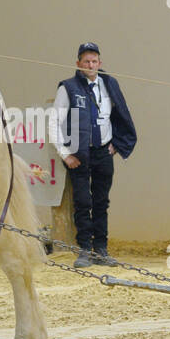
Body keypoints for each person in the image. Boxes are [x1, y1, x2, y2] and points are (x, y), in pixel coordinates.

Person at [51, 42, 137, 268]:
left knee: (101, 202)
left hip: (103, 152)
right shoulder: (68, 88)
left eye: (94, 61)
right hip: (79, 154)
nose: (90, 64)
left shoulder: (109, 84)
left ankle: (101, 249)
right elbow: (54, 122)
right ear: (78, 63)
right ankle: (84, 250)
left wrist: (116, 145)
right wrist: (64, 153)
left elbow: (121, 115)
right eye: (86, 61)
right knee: (82, 202)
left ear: (100, 63)